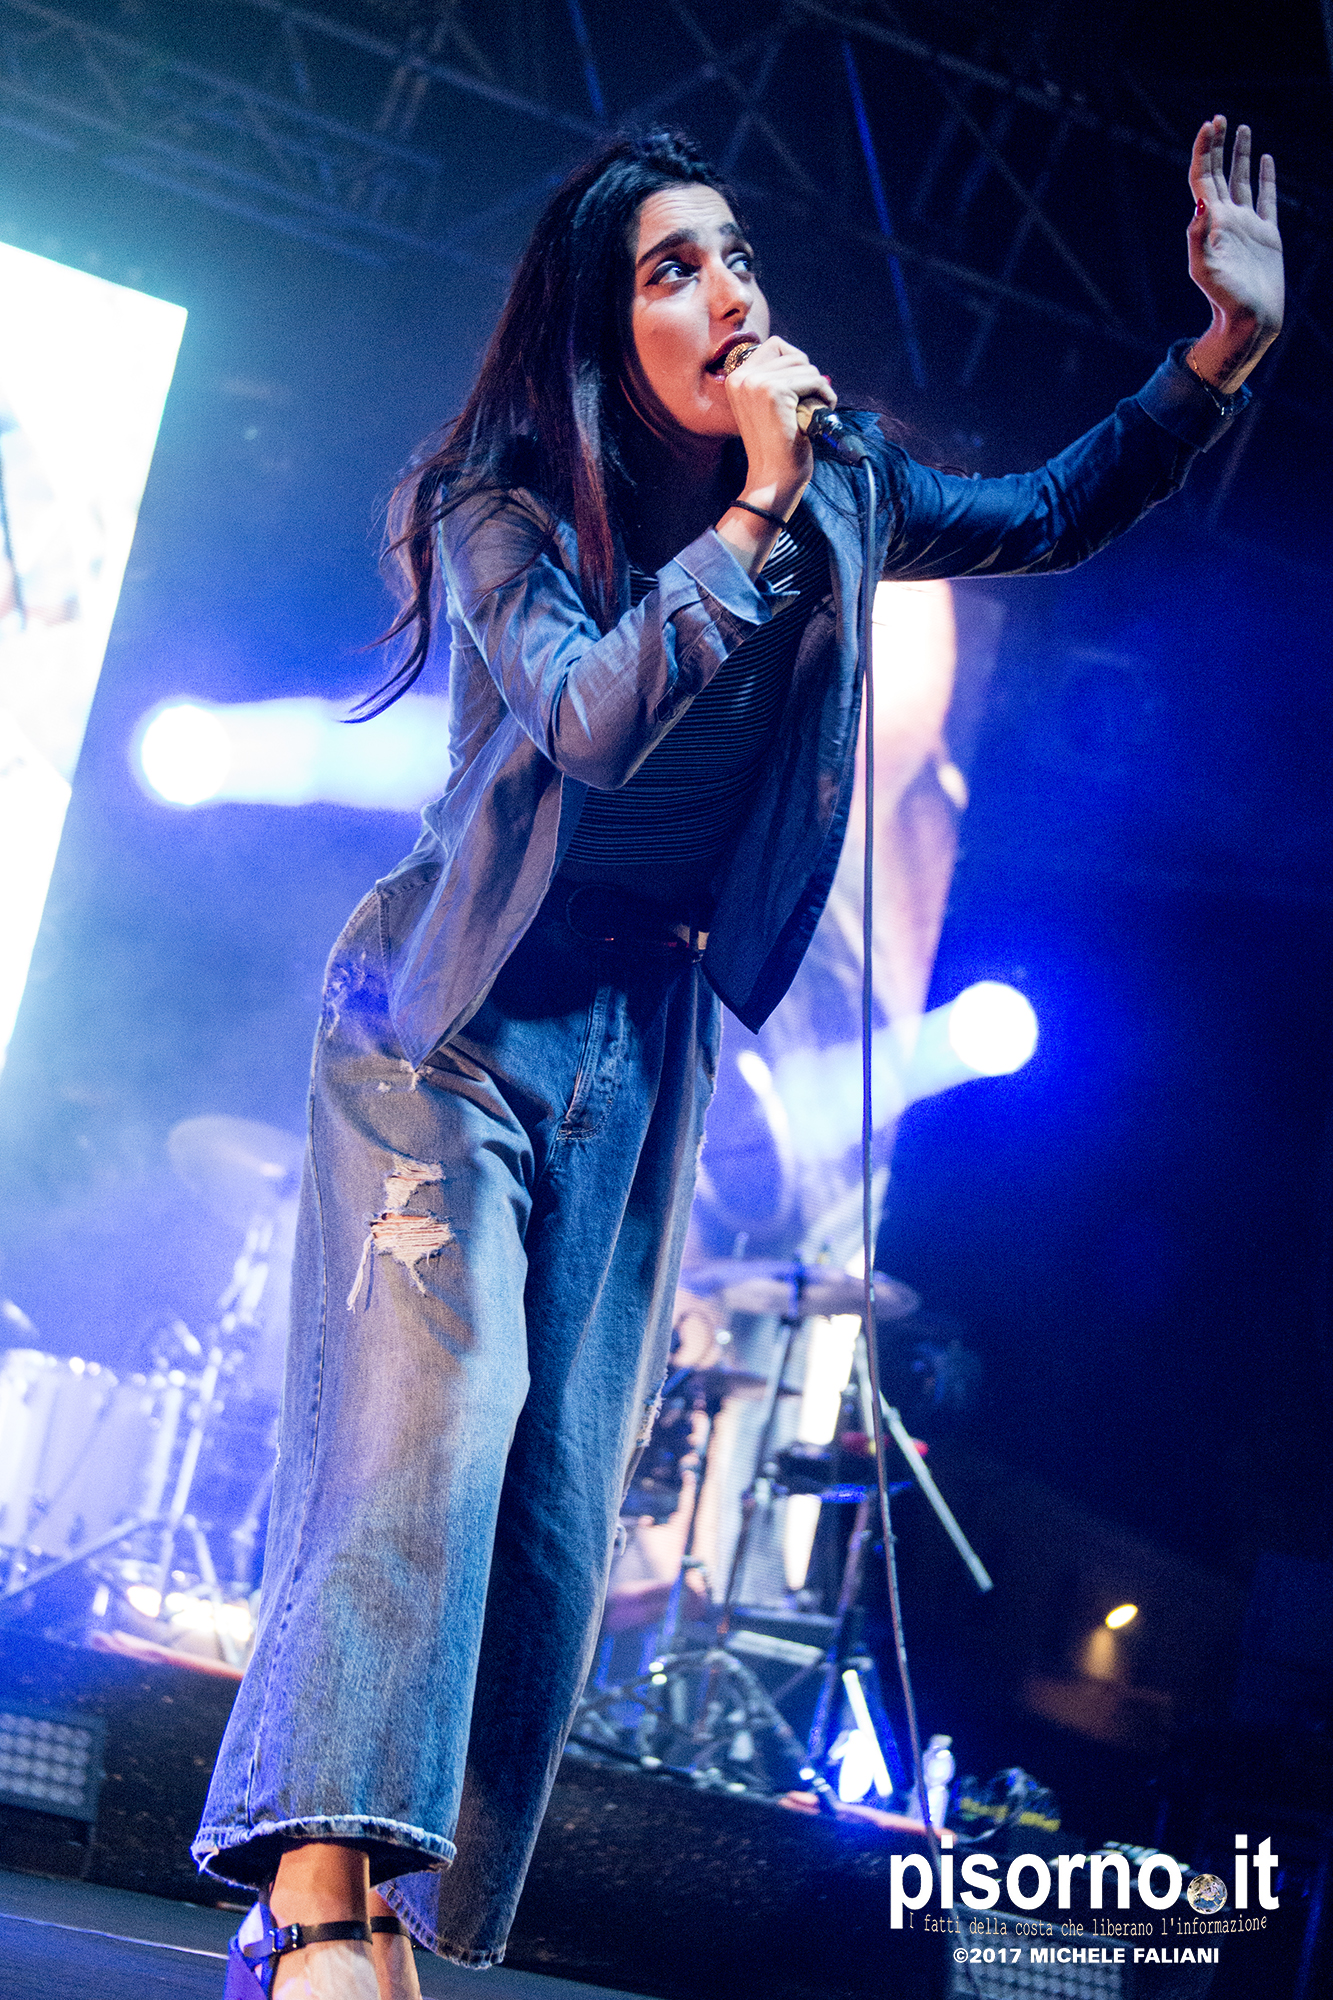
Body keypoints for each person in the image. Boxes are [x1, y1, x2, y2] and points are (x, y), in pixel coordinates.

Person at [195, 117, 1283, 1999]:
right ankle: (313, 1904)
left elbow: (1045, 512)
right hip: (446, 1024)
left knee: (549, 1503)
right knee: (431, 1435)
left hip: (638, 1044)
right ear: (599, 330)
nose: (727, 289)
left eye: (736, 255)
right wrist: (758, 506)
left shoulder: (843, 489)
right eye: (672, 268)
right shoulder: (502, 501)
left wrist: (1218, 353)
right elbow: (590, 721)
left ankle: (389, 1901)